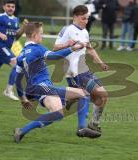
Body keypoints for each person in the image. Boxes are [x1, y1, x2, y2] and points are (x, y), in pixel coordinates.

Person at [14, 22, 101, 143]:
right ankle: (22, 131)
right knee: (60, 111)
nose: (42, 36)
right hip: (42, 87)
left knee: (83, 95)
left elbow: (17, 79)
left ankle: (81, 127)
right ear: (34, 35)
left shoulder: (21, 54)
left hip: (36, 89)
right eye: (41, 34)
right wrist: (73, 48)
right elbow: (54, 56)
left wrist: (22, 98)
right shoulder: (37, 49)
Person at [53, 5, 109, 136]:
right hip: (74, 73)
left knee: (102, 98)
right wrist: (67, 44)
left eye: (87, 19)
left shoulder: (84, 31)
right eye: (83, 18)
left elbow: (89, 48)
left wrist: (100, 62)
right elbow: (55, 47)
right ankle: (83, 120)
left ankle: (92, 122)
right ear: (76, 17)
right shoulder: (67, 30)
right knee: (97, 94)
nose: (86, 21)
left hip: (85, 70)